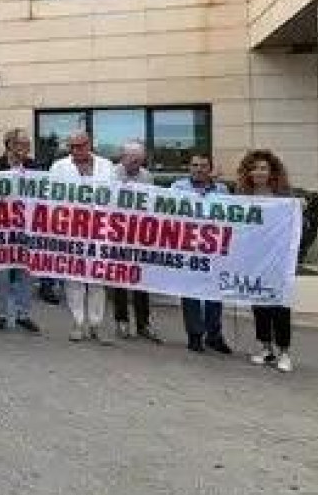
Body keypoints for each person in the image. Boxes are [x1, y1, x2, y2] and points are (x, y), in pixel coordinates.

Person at [49, 130, 114, 343]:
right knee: (74, 279)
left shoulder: (106, 166)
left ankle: (96, 324)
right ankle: (77, 322)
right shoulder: (59, 167)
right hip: (71, 230)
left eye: (81, 146)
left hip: (101, 229)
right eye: (73, 147)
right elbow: (51, 199)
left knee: (97, 279)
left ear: (90, 144)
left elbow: (115, 196)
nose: (77, 150)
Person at [235, 150, 296, 372]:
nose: (258, 172)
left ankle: (284, 352)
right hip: (254, 258)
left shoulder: (283, 196)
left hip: (278, 259)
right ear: (248, 172)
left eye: (263, 168)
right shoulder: (242, 195)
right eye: (254, 168)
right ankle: (266, 347)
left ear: (272, 172)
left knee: (279, 304)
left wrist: (300, 207)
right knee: (259, 303)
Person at [0, 128, 41, 334]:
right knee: (1, 274)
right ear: (10, 145)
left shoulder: (34, 166)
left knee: (27, 272)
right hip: (1, 228)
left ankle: (23, 314)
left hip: (27, 228)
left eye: (27, 144)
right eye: (22, 144)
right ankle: (1, 314)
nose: (26, 148)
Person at [171, 154, 233, 354]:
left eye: (203, 165)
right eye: (195, 165)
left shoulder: (221, 190)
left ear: (210, 169)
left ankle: (214, 335)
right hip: (188, 248)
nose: (198, 169)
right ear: (189, 168)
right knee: (191, 293)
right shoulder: (178, 187)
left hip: (214, 249)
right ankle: (195, 335)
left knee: (214, 293)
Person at [110, 141, 159, 343]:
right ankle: (121, 320)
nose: (135, 165)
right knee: (120, 281)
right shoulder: (111, 174)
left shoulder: (147, 177)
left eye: (139, 161)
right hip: (117, 234)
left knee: (141, 281)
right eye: (132, 160)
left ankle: (143, 323)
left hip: (139, 235)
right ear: (123, 158)